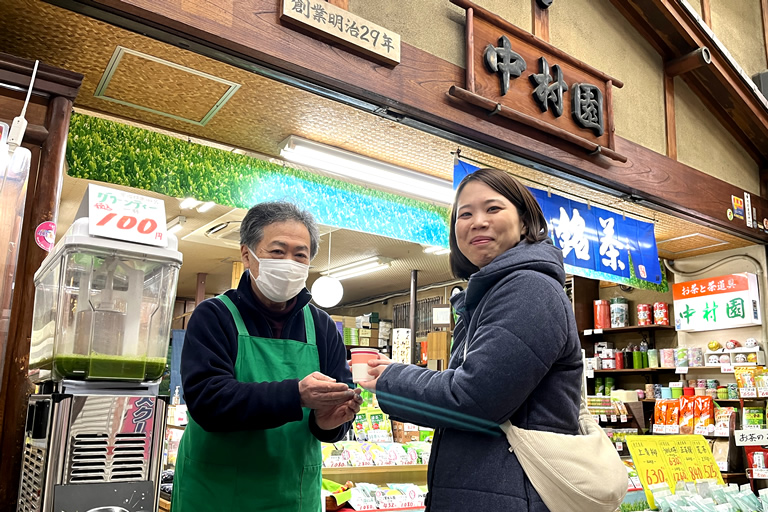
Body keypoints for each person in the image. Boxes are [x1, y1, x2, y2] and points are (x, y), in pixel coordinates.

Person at [359, 168, 582, 511]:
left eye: (493, 208)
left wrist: (393, 379)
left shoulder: (529, 290)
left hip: (515, 495)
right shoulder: (488, 297)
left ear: (525, 223)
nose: (478, 222)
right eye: (465, 214)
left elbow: (475, 398)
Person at [172, 201, 362, 512]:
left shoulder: (322, 327)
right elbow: (208, 401)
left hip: (294, 495)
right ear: (247, 255)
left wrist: (329, 424)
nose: (289, 262)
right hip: (217, 495)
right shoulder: (215, 316)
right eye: (277, 251)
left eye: (300, 255)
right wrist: (295, 395)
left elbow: (335, 412)